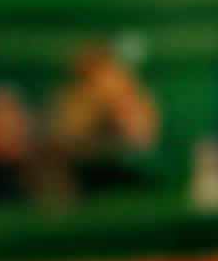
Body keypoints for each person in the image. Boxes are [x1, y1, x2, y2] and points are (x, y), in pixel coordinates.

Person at [43, 41, 161, 196]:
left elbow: (141, 136)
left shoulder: (129, 93)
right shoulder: (70, 101)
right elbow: (63, 138)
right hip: (77, 186)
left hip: (129, 182)